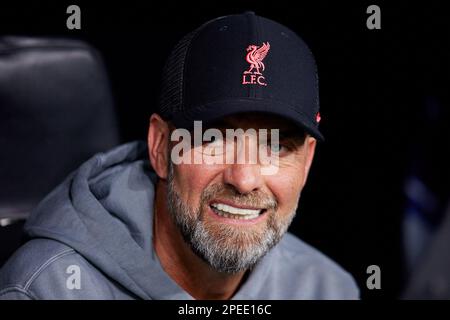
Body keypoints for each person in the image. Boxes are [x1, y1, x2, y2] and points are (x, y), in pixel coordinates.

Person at [0, 12, 359, 300]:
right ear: (160, 147)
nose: (245, 178)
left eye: (276, 146)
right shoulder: (48, 289)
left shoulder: (328, 289)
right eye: (214, 138)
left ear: (307, 162)